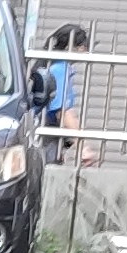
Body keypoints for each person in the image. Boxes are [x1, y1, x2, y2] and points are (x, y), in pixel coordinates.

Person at [39, 23, 94, 167]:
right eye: (82, 46)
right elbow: (62, 112)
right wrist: (83, 147)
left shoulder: (49, 64)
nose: (85, 50)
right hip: (45, 140)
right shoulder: (60, 69)